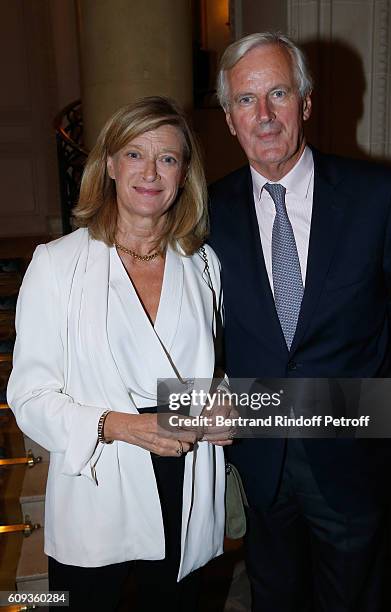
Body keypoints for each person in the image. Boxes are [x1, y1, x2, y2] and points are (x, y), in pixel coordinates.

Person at [208, 32, 391, 611]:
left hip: (354, 461)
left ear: (307, 103)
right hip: (259, 460)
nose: (264, 115)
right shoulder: (206, 212)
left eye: (278, 94)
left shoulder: (381, 196)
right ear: (228, 118)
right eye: (246, 101)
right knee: (272, 597)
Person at [7, 96, 231, 612]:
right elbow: (29, 397)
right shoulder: (58, 265)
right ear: (108, 164)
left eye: (168, 158)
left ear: (184, 174)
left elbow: (209, 372)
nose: (151, 172)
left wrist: (221, 404)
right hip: (99, 483)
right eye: (135, 154)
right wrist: (123, 426)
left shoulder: (202, 264)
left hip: (186, 478)